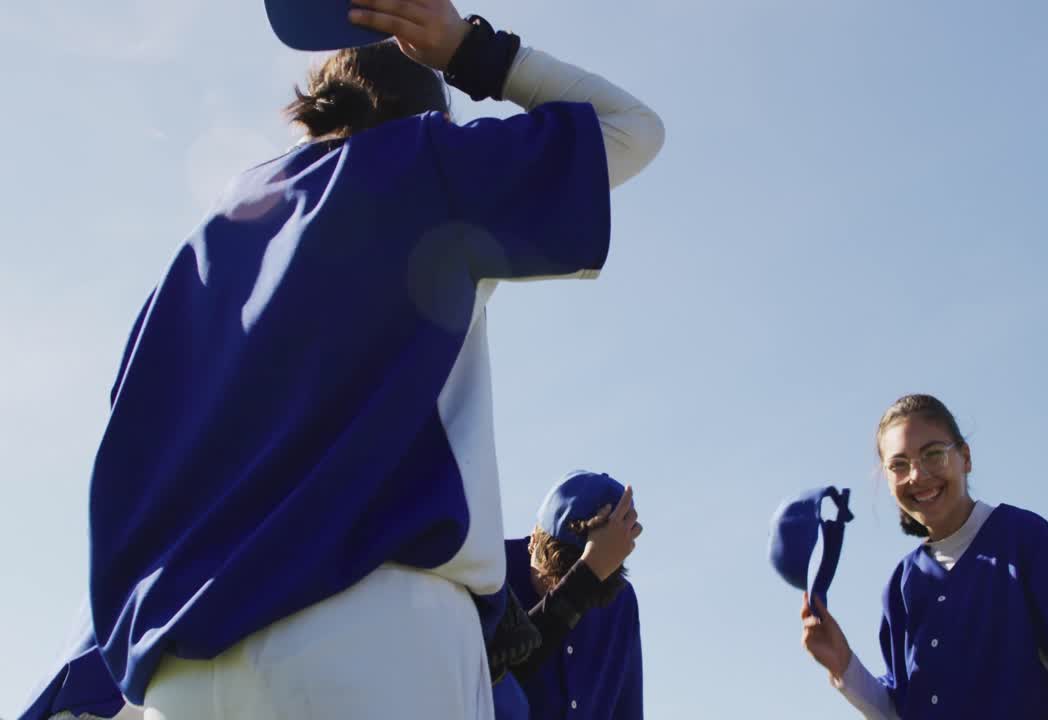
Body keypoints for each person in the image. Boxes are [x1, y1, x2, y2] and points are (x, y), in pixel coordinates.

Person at [25, 1, 664, 718]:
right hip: (375, 633)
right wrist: (466, 48)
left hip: (178, 669)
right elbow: (633, 129)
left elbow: (127, 468)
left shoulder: (206, 241)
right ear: (434, 109)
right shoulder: (427, 163)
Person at [800, 394, 1048, 719]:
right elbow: (903, 711)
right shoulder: (901, 585)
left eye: (933, 454)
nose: (916, 474)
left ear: (965, 458)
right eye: (899, 465)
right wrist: (842, 663)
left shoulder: (1026, 540)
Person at [493, 470, 644, 720]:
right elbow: (482, 681)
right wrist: (583, 580)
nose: (559, 594)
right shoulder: (490, 573)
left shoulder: (621, 601)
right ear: (534, 542)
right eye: (550, 581)